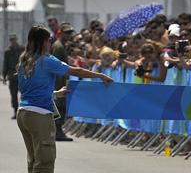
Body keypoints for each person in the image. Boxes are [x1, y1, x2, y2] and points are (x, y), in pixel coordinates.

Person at [17, 25, 113, 173]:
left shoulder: (25, 59)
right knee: (45, 161)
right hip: (39, 115)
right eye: (50, 40)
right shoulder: (47, 60)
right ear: (44, 42)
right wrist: (100, 76)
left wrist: (55, 93)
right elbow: (76, 70)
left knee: (34, 159)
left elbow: (29, 89)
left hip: (23, 113)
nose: (51, 43)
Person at [50, 22, 75, 141]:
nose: (69, 35)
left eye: (70, 33)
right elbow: (56, 67)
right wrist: (61, 84)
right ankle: (58, 132)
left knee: (60, 106)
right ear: (61, 33)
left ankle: (58, 131)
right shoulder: (59, 47)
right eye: (67, 33)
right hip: (58, 81)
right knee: (60, 106)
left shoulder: (61, 45)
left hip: (61, 80)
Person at [3, 34, 25, 119]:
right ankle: (16, 112)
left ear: (16, 40)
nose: (13, 42)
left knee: (24, 94)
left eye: (14, 40)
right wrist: (4, 76)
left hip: (21, 75)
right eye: (11, 40)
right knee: (13, 95)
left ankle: (24, 111)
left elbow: (26, 60)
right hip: (12, 76)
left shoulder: (22, 49)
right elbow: (5, 64)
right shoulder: (7, 51)